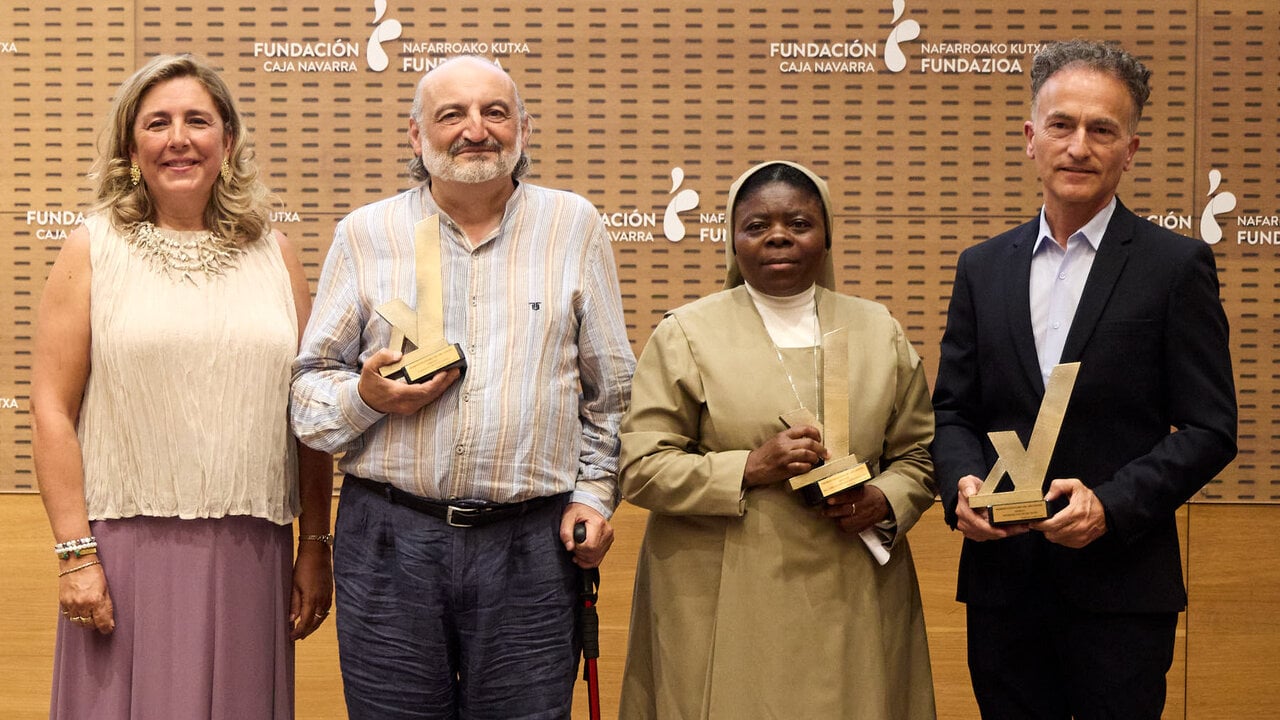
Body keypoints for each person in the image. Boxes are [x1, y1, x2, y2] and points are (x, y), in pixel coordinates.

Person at [290, 54, 635, 719]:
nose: (475, 130)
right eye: (452, 114)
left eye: (494, 113)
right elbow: (307, 394)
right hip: (390, 541)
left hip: (531, 547)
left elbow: (612, 393)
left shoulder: (575, 228)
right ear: (417, 136)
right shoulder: (366, 235)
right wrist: (367, 399)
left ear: (523, 130)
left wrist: (594, 495)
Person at [931, 40, 1238, 720]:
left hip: (1121, 589)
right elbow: (952, 411)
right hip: (1002, 587)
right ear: (1030, 138)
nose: (1079, 146)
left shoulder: (1174, 265)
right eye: (1062, 125)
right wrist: (963, 486)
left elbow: (1213, 428)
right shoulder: (983, 267)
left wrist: (1112, 504)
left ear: (1130, 148)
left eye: (1102, 129)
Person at [30, 53, 333, 719]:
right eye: (157, 123)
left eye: (198, 120)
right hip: (120, 553)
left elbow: (308, 410)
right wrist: (75, 553)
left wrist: (316, 544)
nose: (179, 139)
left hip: (250, 556)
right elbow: (52, 407)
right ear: (131, 145)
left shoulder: (275, 253)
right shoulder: (93, 247)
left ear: (227, 140)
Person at [618, 160, 938, 719]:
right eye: (757, 225)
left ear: (827, 235)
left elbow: (917, 454)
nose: (779, 236)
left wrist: (884, 499)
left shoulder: (876, 329)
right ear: (733, 241)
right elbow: (641, 466)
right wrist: (748, 467)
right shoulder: (686, 333)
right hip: (723, 592)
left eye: (798, 222)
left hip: (853, 585)